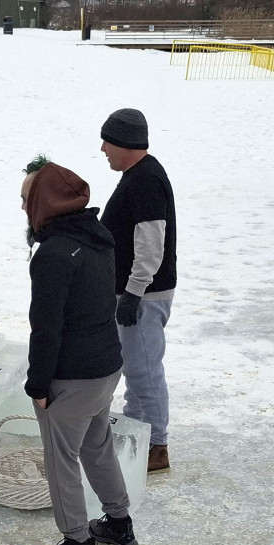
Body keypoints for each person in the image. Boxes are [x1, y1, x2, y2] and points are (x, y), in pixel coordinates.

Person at [20, 158, 138, 545]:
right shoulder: (96, 236)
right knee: (96, 446)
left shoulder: (54, 254)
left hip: (73, 377)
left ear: (45, 203)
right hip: (106, 368)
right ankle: (119, 524)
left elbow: (46, 329)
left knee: (61, 459)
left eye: (26, 200)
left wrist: (38, 384)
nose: (23, 208)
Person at [99, 108, 177, 473]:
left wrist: (133, 292)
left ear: (125, 143)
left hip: (144, 295)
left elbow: (151, 243)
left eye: (108, 141)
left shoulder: (145, 179)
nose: (103, 149)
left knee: (144, 370)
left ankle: (156, 447)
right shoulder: (137, 175)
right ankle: (135, 435)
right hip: (137, 292)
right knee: (135, 369)